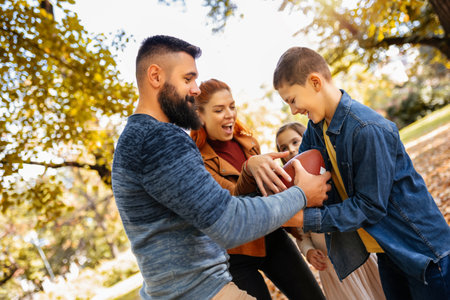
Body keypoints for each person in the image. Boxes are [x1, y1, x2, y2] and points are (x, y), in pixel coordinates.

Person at [111, 35, 331, 299]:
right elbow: (227, 221)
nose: (195, 89)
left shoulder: (136, 138)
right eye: (187, 79)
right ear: (156, 77)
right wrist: (301, 195)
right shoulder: (159, 138)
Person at [272, 46, 450, 300]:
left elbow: (369, 207)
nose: (293, 111)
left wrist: (303, 219)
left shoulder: (366, 129)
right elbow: (298, 173)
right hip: (388, 251)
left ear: (314, 82)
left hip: (423, 252)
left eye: (292, 100)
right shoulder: (316, 129)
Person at [190, 79, 325, 300]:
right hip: (237, 254)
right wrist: (249, 167)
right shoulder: (198, 162)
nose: (229, 114)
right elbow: (230, 203)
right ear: (199, 116)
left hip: (272, 236)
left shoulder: (248, 142)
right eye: (219, 109)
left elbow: (270, 192)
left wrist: (300, 237)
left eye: (232, 106)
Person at [276, 122, 386, 300]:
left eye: (295, 142)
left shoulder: (328, 174)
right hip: (333, 270)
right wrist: (309, 251)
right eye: (284, 147)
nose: (290, 149)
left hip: (357, 255)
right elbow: (301, 235)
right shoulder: (291, 193)